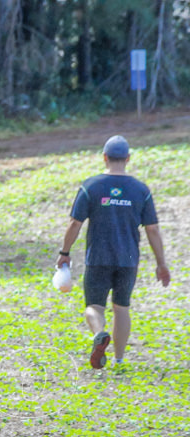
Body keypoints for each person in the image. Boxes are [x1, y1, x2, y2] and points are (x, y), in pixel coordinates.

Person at [57, 135, 170, 369]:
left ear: (105, 158)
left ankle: (100, 333)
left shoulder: (91, 187)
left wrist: (65, 252)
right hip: (128, 259)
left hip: (98, 256)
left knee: (93, 306)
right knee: (122, 307)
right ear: (128, 158)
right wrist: (161, 263)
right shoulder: (141, 190)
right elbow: (153, 229)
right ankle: (118, 360)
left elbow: (74, 224)